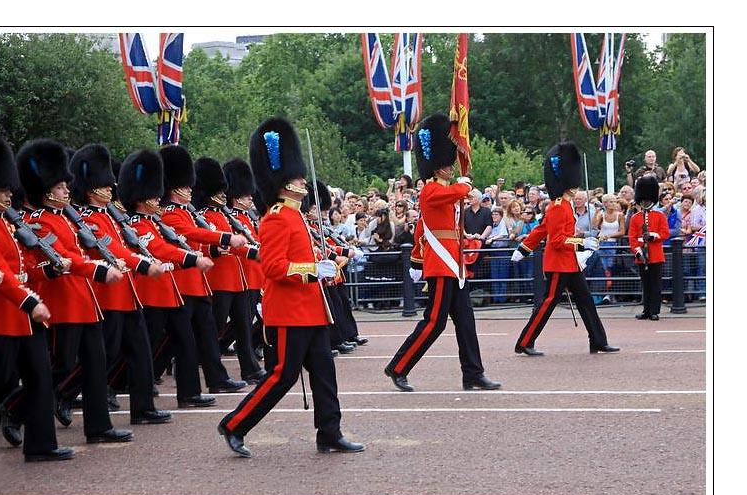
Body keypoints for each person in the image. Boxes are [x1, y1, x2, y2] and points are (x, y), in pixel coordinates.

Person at [218, 116, 365, 458]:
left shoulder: (296, 215)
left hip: (312, 309)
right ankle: (235, 424)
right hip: (289, 312)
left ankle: (330, 432)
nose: (303, 180)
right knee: (282, 375)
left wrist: (325, 268)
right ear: (284, 182)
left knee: (325, 374)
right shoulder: (275, 217)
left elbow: (305, 258)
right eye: (297, 177)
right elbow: (272, 267)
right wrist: (312, 269)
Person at [16, 139, 134, 443]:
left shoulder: (64, 219)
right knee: (61, 366)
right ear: (45, 191)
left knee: (96, 364)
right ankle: (14, 409)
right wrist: (99, 269)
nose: (67, 190)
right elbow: (67, 259)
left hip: (84, 301)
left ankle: (98, 427)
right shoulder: (39, 223)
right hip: (63, 304)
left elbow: (81, 252)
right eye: (59, 187)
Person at [383, 113, 501, 392]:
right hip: (440, 263)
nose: (450, 167)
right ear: (437, 167)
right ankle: (398, 367)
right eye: (447, 163)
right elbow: (458, 192)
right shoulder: (431, 190)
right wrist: (465, 184)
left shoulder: (446, 188)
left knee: (466, 322)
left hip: (454, 263)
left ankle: (473, 373)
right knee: (434, 323)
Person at [69, 144, 172, 425]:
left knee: (140, 353)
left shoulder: (110, 215)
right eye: (104, 184)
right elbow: (113, 249)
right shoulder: (88, 219)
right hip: (108, 296)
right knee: (106, 355)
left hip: (127, 294)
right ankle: (65, 394)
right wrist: (143, 264)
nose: (111, 187)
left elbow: (128, 244)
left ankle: (143, 409)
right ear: (91, 189)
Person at [0, 135, 74, 462]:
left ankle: (41, 445)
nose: (12, 193)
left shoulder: (7, 224)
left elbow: (24, 267)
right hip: (2, 314)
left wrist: (47, 273)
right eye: (6, 190)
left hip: (23, 314)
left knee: (40, 376)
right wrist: (29, 301)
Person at [118, 149, 218, 408]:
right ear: (141, 197)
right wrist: (193, 259)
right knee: (142, 349)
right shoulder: (137, 224)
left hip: (168, 292)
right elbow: (161, 250)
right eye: (152, 193)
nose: (157, 197)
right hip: (150, 293)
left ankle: (189, 393)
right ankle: (115, 385)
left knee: (185, 341)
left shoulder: (154, 222)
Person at [511, 141, 619, 356]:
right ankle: (524, 342)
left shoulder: (564, 205)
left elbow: (541, 230)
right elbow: (558, 240)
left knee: (586, 302)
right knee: (547, 304)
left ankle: (598, 340)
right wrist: (582, 243)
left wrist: (524, 248)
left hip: (570, 264)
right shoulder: (558, 207)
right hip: (559, 264)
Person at [158, 145, 248, 394]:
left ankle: (216, 379)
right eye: (186, 186)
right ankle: (179, 388)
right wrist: (226, 238)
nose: (190, 189)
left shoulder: (186, 212)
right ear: (174, 187)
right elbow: (192, 234)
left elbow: (198, 238)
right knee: (180, 341)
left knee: (208, 336)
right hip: (182, 284)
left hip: (198, 283)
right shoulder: (169, 215)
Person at [192, 156, 265, 385]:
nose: (224, 194)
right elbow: (207, 244)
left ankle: (250, 368)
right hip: (219, 280)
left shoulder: (230, 216)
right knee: (214, 328)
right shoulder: (204, 217)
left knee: (244, 327)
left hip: (240, 279)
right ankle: (197, 363)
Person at [628, 174, 670, 320]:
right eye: (643, 200)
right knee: (645, 284)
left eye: (647, 199)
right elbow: (632, 238)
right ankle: (646, 309)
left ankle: (654, 311)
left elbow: (665, 234)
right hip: (642, 255)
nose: (645, 202)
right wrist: (638, 251)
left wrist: (653, 236)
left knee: (655, 284)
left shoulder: (660, 216)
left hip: (656, 254)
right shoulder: (635, 218)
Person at [593, 193, 626, 304]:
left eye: (614, 201)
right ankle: (603, 293)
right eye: (610, 201)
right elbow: (595, 226)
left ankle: (610, 293)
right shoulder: (602, 214)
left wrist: (610, 236)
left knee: (610, 268)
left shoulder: (620, 215)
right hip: (602, 244)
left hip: (613, 244)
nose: (613, 204)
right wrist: (597, 213)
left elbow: (622, 231)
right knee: (603, 268)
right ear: (605, 204)